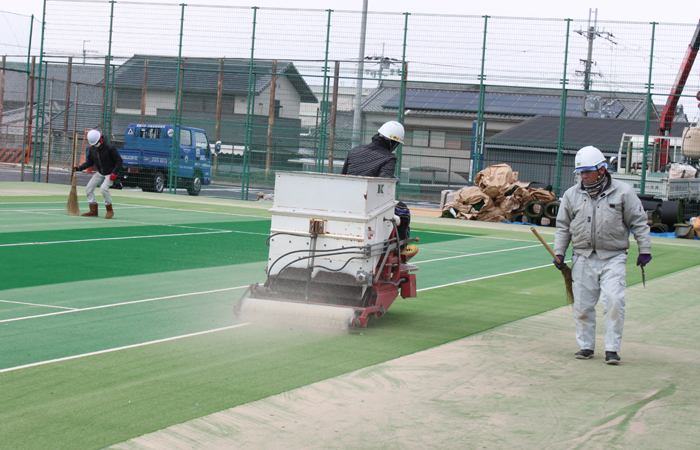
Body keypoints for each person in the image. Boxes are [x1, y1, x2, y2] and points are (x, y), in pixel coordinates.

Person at [553, 146, 651, 365]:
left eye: (587, 171)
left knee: (614, 301)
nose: (583, 176)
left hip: (613, 256)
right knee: (582, 306)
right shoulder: (571, 195)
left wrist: (645, 250)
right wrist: (559, 252)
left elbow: (639, 222)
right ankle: (586, 346)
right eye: (580, 172)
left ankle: (612, 349)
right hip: (583, 257)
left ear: (601, 168)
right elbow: (563, 227)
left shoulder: (624, 192)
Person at [341, 121, 416, 257]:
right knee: (403, 212)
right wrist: (395, 180)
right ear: (393, 143)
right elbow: (384, 184)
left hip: (346, 199)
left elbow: (343, 176)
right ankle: (400, 249)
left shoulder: (354, 151)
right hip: (370, 203)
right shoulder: (388, 157)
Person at [74, 129, 123, 219]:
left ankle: (109, 210)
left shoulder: (109, 148)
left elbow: (119, 161)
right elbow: (90, 162)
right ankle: (93, 211)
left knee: (103, 189)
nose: (96, 145)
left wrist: (114, 173)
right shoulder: (92, 149)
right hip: (100, 172)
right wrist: (80, 168)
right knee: (89, 188)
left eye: (97, 143)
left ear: (100, 139)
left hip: (110, 173)